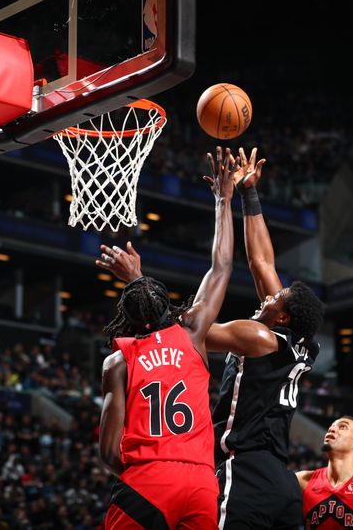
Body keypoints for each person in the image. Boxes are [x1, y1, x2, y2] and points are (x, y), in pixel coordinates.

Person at [99, 147, 326, 529]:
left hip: (242, 467)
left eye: (275, 299)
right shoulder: (300, 342)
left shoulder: (256, 335)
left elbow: (184, 327)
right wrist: (248, 195)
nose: (268, 295)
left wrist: (140, 284)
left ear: (283, 316)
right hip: (272, 478)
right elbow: (262, 263)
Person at [96, 147, 236, 529]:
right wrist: (224, 199)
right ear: (167, 305)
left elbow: (109, 453)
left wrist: (151, 471)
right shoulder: (192, 331)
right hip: (201, 483)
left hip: (148, 480)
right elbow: (222, 264)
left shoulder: (119, 360)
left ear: (128, 320)